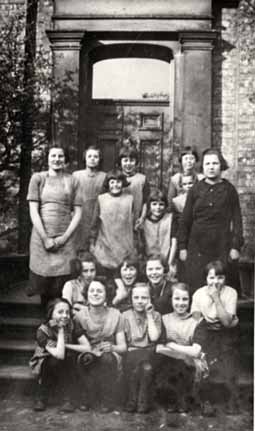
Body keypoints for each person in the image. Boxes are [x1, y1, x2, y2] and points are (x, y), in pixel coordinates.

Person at [179, 148, 243, 294]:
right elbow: (185, 220)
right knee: (197, 284)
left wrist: (235, 246)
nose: (211, 167)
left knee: (222, 284)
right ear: (202, 167)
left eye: (215, 163)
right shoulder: (195, 189)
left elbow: (237, 220)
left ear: (221, 166)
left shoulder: (229, 190)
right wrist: (182, 247)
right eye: (208, 164)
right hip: (197, 245)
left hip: (221, 244)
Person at [27, 146, 82, 307]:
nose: (57, 159)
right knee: (44, 285)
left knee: (62, 285)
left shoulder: (73, 180)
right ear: (47, 158)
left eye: (60, 156)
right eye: (53, 156)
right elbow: (33, 211)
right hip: (41, 237)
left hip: (65, 238)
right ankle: (46, 325)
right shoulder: (38, 178)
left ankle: (63, 322)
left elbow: (78, 212)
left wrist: (64, 238)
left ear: (65, 159)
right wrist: (45, 238)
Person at [191, 260, 240, 415]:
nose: (215, 282)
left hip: (225, 333)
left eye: (220, 277)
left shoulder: (231, 292)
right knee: (205, 366)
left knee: (228, 365)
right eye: (211, 278)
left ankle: (232, 401)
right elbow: (196, 320)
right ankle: (206, 402)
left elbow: (226, 322)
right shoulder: (199, 293)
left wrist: (216, 298)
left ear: (225, 279)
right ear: (206, 279)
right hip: (206, 332)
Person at [29, 298, 90, 412]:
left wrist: (66, 345)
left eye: (67, 312)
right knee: (54, 361)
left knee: (70, 359)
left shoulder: (72, 324)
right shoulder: (43, 331)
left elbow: (87, 347)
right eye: (60, 312)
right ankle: (42, 397)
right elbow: (59, 355)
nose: (65, 315)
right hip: (46, 360)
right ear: (51, 313)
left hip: (67, 359)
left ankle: (68, 399)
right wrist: (61, 331)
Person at [74, 281, 126, 412]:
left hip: (109, 354)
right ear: (87, 294)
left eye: (99, 291)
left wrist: (113, 347)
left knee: (106, 358)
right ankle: (87, 397)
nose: (95, 294)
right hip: (88, 352)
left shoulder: (116, 315)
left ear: (107, 294)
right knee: (87, 358)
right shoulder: (79, 316)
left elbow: (123, 347)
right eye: (92, 291)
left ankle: (106, 399)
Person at [155, 282, 205, 413]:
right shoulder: (164, 319)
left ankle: (184, 400)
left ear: (190, 300)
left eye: (185, 299)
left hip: (189, 365)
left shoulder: (197, 321)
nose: (181, 303)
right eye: (177, 299)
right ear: (171, 299)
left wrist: (171, 345)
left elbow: (196, 351)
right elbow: (159, 348)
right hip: (170, 364)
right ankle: (174, 400)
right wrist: (183, 353)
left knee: (188, 365)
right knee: (169, 364)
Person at [122, 283, 161, 413]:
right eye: (136, 297)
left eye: (144, 298)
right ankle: (137, 400)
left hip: (148, 353)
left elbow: (154, 338)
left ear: (150, 299)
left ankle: (138, 400)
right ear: (131, 299)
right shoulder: (125, 316)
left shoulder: (156, 316)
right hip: (131, 353)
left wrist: (149, 315)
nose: (139, 301)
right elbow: (125, 343)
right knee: (144, 366)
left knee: (146, 365)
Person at [90, 169, 135, 274]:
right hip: (105, 245)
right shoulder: (101, 199)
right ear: (108, 184)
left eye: (118, 182)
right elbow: (94, 223)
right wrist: (92, 242)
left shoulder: (129, 199)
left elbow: (133, 224)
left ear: (123, 183)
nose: (115, 185)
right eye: (112, 182)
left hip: (124, 246)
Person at [73, 146, 106, 251]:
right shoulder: (76, 175)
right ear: (85, 158)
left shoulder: (104, 176)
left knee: (96, 247)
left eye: (95, 156)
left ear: (99, 159)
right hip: (81, 215)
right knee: (80, 246)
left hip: (97, 215)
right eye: (89, 156)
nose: (92, 159)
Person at [141, 188, 177, 277]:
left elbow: (174, 243)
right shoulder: (143, 222)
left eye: (161, 204)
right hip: (149, 262)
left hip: (167, 259)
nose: (158, 208)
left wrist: (169, 263)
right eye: (154, 204)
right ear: (149, 206)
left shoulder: (171, 219)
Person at [118, 138, 150, 230]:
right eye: (125, 160)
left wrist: (142, 218)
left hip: (136, 220)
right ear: (120, 162)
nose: (128, 164)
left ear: (136, 162)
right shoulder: (115, 179)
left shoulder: (142, 179)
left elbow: (145, 201)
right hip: (119, 219)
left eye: (131, 160)